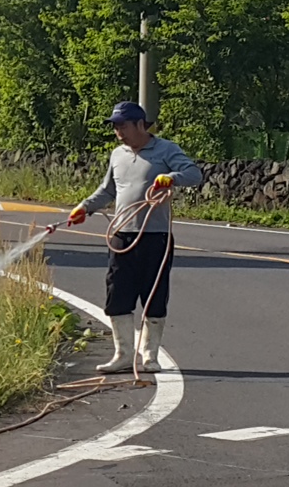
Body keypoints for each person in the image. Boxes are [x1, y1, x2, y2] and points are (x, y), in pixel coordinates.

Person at [65, 101, 204, 377]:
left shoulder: (166, 149)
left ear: (141, 125)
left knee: (154, 294)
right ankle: (123, 355)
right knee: (117, 293)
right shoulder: (117, 154)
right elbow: (107, 190)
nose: (119, 132)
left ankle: (150, 357)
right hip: (121, 233)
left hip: (156, 237)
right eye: (116, 126)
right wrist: (85, 207)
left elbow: (194, 174)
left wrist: (170, 178)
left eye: (123, 125)